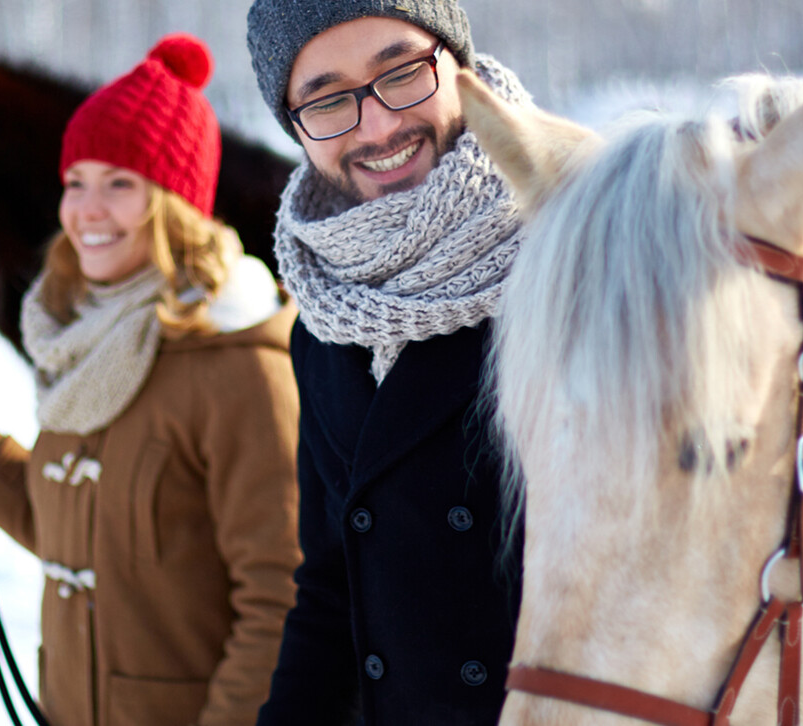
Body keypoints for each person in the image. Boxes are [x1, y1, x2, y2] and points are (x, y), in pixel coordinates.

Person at [0, 33, 302, 726]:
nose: (86, 210)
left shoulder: (239, 367)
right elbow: (74, 531)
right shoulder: (85, 341)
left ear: (174, 203)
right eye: (76, 182)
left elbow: (279, 603)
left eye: (119, 184)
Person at [244, 1, 535, 723]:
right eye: (328, 100)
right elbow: (332, 589)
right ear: (293, 126)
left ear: (457, 65)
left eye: (401, 73)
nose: (376, 126)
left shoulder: (576, 257)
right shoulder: (324, 319)